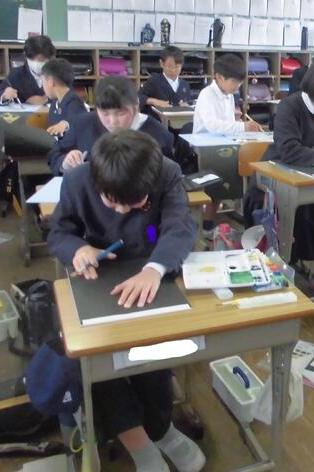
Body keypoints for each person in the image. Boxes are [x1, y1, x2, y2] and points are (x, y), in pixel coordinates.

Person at [48, 130, 203, 472]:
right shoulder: (76, 180)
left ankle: (161, 429)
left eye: (132, 203)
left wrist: (154, 269)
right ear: (97, 180)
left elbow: (180, 227)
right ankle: (138, 442)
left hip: (151, 270)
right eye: (111, 201)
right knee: (101, 359)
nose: (120, 210)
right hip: (99, 278)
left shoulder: (167, 172)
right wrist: (78, 249)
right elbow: (59, 232)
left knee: (154, 353)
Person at [243, 53, 314, 293]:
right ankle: (279, 275)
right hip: (274, 187)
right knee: (300, 216)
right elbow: (289, 150)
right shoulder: (291, 107)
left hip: (313, 185)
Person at [48, 76, 173, 175]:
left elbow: (167, 177)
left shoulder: (158, 134)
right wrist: (65, 163)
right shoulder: (82, 124)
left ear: (136, 107)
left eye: (120, 113)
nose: (113, 121)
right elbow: (54, 155)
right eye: (105, 113)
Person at [193, 53, 260, 135]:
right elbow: (212, 126)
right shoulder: (206, 94)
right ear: (219, 77)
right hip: (203, 141)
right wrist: (242, 127)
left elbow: (230, 123)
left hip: (224, 140)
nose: (237, 86)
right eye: (234, 81)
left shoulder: (229, 95)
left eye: (240, 83)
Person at [0, 35, 55, 105]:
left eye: (40, 59)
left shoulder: (59, 73)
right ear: (25, 55)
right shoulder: (16, 75)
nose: (36, 63)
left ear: (51, 57)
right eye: (32, 59)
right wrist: (5, 96)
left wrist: (45, 100)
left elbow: (63, 97)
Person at [139, 45, 191, 116]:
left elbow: (188, 103)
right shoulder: (154, 81)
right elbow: (138, 97)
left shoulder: (185, 85)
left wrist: (186, 106)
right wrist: (153, 101)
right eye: (169, 66)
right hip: (157, 120)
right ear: (162, 63)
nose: (173, 70)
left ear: (181, 65)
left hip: (178, 120)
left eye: (177, 67)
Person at [41, 58, 87, 136]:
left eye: (43, 82)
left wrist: (65, 123)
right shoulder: (55, 102)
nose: (42, 86)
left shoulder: (74, 101)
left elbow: (76, 119)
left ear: (50, 81)